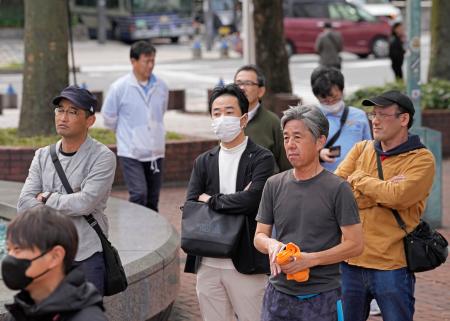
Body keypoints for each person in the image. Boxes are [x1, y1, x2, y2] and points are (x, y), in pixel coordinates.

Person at [254, 104, 364, 321]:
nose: (290, 145)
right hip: (277, 296)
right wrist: (272, 245)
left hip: (323, 298)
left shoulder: (338, 188)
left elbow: (355, 244)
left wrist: (310, 259)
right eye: (286, 138)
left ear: (320, 141)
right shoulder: (274, 184)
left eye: (297, 137)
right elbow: (259, 236)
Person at [335, 90, 436, 321]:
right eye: (373, 114)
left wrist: (358, 179)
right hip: (350, 261)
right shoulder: (362, 149)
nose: (375, 120)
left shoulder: (421, 159)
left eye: (383, 114)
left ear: (404, 119)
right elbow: (336, 193)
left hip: (392, 265)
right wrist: (382, 189)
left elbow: (398, 197)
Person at [184, 84, 275, 321]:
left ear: (243, 118)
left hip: (246, 260)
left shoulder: (262, 158)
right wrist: (235, 200)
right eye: (216, 113)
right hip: (207, 260)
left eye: (229, 112)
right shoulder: (203, 161)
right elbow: (192, 204)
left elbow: (253, 200)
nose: (222, 118)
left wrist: (211, 200)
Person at [17, 85, 117, 295]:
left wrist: (47, 198)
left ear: (90, 120)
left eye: (73, 112)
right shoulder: (42, 155)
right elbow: (24, 203)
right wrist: (63, 202)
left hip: (86, 256)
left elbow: (85, 203)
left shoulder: (102, 157)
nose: (63, 117)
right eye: (60, 110)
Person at [3, 206, 107, 321]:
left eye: (17, 249)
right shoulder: (21, 311)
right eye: (8, 250)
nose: (10, 257)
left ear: (55, 256)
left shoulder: (88, 318)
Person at [102, 40, 169, 212]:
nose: (150, 65)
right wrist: (129, 133)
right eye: (146, 61)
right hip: (131, 152)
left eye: (153, 60)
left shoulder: (161, 86)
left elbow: (160, 113)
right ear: (133, 61)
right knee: (139, 194)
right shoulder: (119, 88)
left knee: (153, 199)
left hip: (155, 151)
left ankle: (154, 234)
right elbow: (109, 118)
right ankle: (135, 232)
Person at [311, 66, 372, 172]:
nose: (330, 101)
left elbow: (370, 148)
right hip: (324, 177)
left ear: (342, 90)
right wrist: (319, 153)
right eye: (324, 99)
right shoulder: (311, 118)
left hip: (354, 178)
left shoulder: (359, 116)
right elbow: (302, 150)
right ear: (316, 96)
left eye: (334, 97)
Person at [234, 64, 291, 172]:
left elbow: (286, 165)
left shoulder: (273, 122)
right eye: (238, 83)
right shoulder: (228, 120)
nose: (242, 88)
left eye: (248, 83)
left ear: (261, 91)